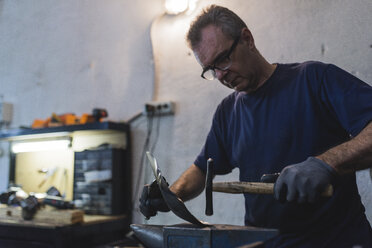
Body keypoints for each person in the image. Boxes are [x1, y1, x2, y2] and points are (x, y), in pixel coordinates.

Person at [140, 5, 372, 247]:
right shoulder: (228, 112)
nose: (220, 76)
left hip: (337, 240)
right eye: (210, 69)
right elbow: (201, 170)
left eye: (222, 59)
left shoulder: (312, 79)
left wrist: (327, 164)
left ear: (247, 39)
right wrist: (171, 194)